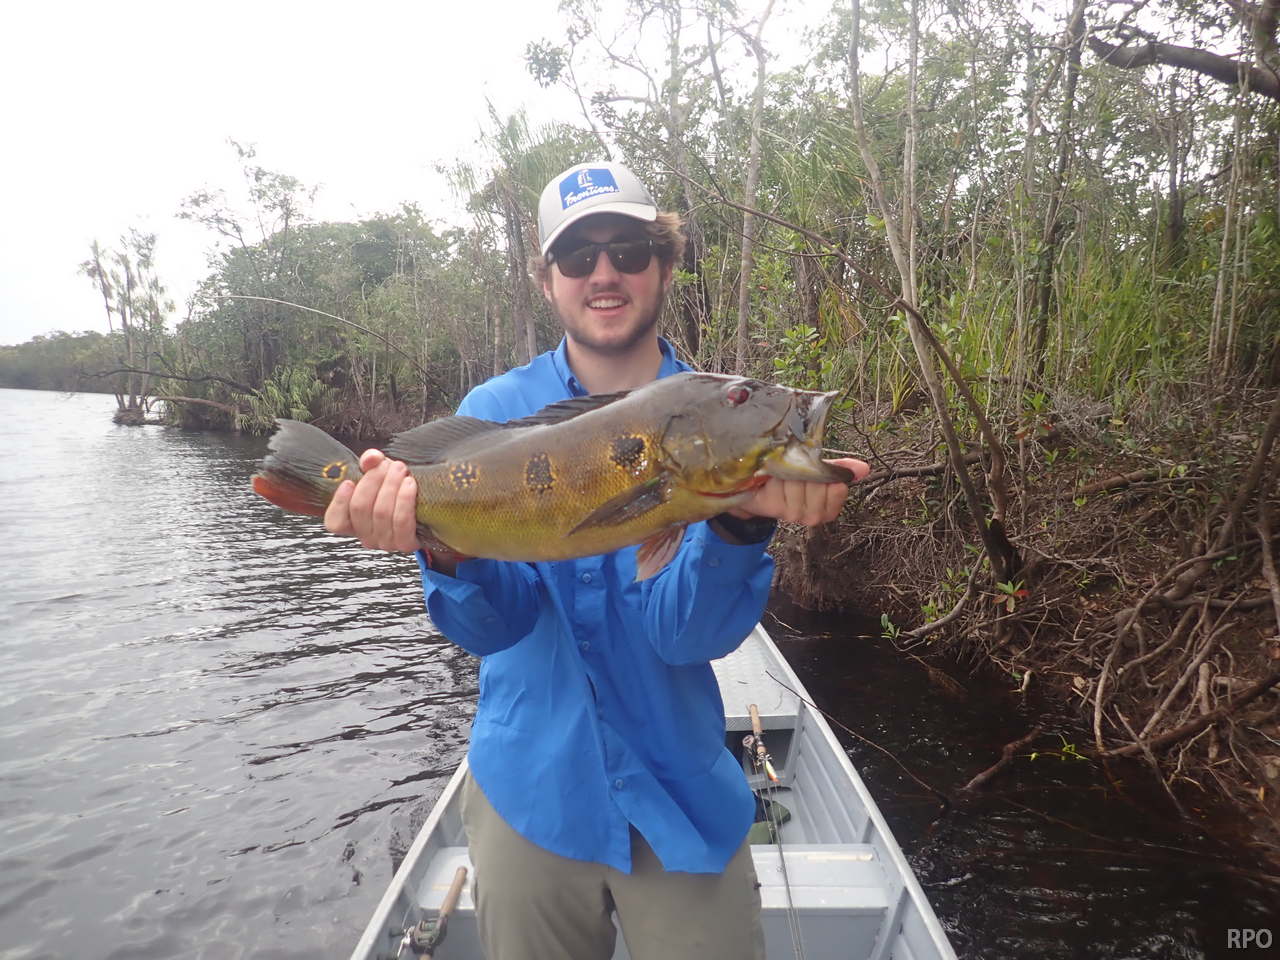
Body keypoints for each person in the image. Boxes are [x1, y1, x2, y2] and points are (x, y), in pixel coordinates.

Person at [325, 161, 869, 960]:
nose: (604, 273)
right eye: (578, 257)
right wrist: (435, 543)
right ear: (548, 280)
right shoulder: (492, 414)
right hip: (530, 794)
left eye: (629, 251)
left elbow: (685, 638)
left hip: (679, 794)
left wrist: (736, 528)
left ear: (665, 266)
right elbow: (492, 628)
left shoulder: (707, 421)